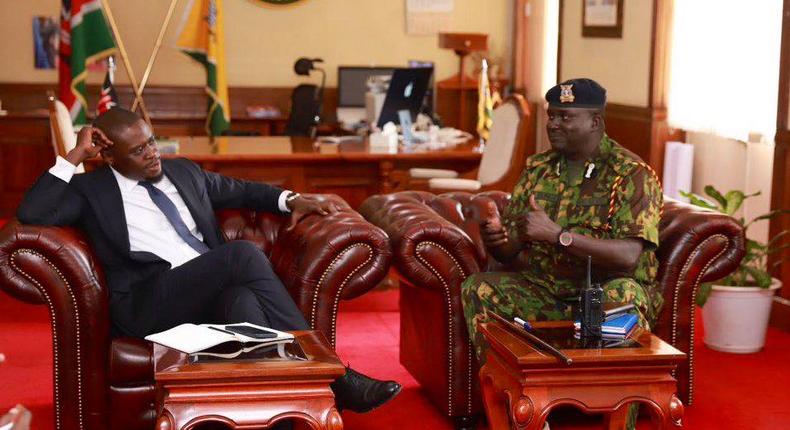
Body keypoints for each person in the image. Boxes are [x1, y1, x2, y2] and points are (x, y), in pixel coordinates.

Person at [17, 107, 401, 415]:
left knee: (244, 305)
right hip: (148, 301)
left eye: (151, 142)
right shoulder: (90, 190)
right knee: (240, 256)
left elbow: (242, 189)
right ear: (109, 155)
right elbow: (33, 211)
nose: (151, 153)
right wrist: (74, 155)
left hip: (206, 291)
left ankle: (278, 415)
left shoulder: (182, 171)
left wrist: (292, 199)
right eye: (137, 151)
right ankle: (335, 377)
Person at [460, 78, 662, 429]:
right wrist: (495, 237)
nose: (553, 124)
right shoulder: (538, 169)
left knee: (623, 295)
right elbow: (511, 249)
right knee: (478, 288)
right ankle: (517, 412)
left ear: (595, 122)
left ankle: (621, 421)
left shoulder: (631, 174)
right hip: (546, 289)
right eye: (552, 115)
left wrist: (559, 236)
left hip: (606, 292)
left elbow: (629, 256)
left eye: (566, 117)